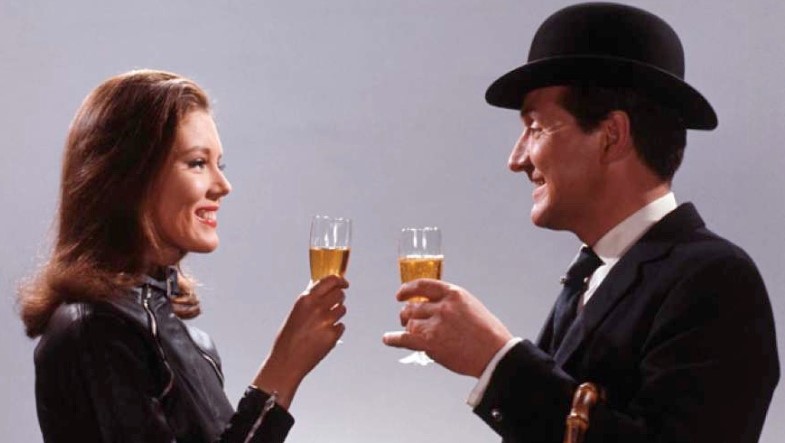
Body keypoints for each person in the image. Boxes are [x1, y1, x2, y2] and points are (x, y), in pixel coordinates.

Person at [383, 3, 779, 442]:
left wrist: (497, 360)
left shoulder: (717, 279)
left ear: (611, 136)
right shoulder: (591, 275)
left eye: (536, 127)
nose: (516, 159)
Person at [18, 69, 348, 442]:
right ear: (132, 176)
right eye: (197, 163)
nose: (223, 185)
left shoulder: (196, 346)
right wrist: (284, 368)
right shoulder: (93, 332)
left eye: (220, 164)